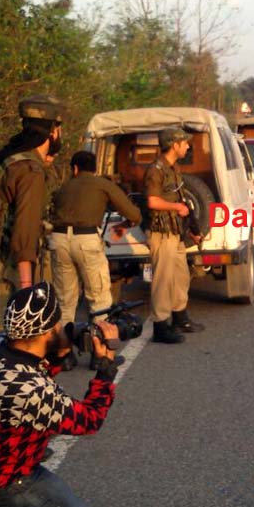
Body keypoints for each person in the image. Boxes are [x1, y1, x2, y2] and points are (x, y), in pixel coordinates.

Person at [0, 281, 120, 507]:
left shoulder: (6, 350)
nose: (61, 327)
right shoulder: (30, 389)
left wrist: (60, 351)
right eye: (57, 324)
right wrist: (106, 368)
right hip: (12, 480)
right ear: (47, 332)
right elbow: (89, 420)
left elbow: (29, 368)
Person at [49, 151, 142, 325]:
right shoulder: (102, 184)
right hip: (86, 239)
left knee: (64, 301)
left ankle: (63, 340)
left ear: (75, 169)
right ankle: (99, 339)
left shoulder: (64, 187)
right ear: (94, 169)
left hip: (58, 239)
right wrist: (126, 224)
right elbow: (134, 214)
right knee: (99, 300)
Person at [144, 127, 204, 344]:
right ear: (174, 145)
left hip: (175, 231)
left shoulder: (173, 168)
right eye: (184, 142)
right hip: (161, 233)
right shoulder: (156, 169)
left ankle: (180, 317)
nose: (187, 146)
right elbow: (152, 201)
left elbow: (179, 200)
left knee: (181, 275)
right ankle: (160, 325)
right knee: (163, 279)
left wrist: (191, 230)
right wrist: (177, 207)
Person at [0, 95, 64, 291]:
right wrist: (26, 285)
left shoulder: (10, 160)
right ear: (53, 132)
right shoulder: (31, 170)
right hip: (12, 266)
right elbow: (25, 228)